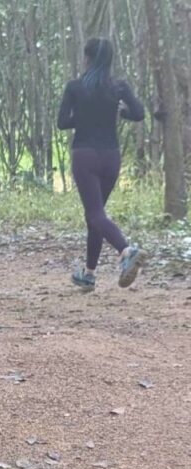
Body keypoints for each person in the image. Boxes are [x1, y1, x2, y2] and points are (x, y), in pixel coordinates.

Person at [57, 38, 145, 292]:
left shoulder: (75, 87)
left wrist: (82, 117)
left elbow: (62, 123)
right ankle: (89, 274)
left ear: (87, 58)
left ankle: (126, 250)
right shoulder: (118, 87)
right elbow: (139, 114)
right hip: (111, 157)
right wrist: (120, 112)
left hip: (85, 156)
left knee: (95, 214)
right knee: (96, 215)